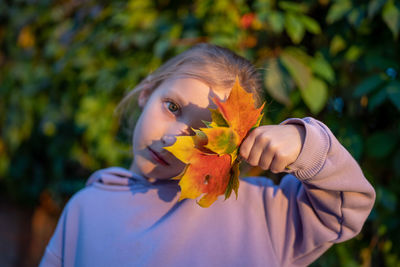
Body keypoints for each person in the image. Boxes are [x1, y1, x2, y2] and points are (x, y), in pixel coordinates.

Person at [39, 43, 375, 267]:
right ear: (146, 91)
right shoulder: (84, 210)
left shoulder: (267, 213)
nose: (173, 139)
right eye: (172, 107)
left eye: (206, 136)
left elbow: (348, 207)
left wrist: (305, 143)